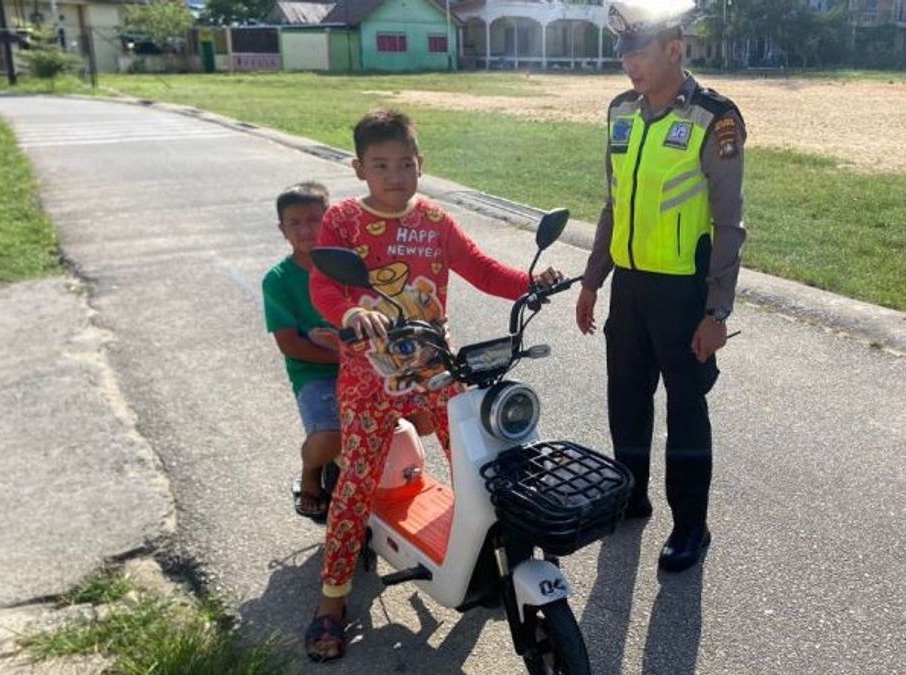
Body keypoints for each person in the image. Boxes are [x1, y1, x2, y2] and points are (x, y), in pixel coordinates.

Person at [303, 109, 563, 662]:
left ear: (421, 165)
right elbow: (324, 284)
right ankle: (332, 600)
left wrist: (530, 283)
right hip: (368, 376)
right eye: (380, 165)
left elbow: (481, 268)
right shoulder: (344, 222)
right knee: (356, 481)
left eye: (404, 164)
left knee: (483, 462)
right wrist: (351, 314)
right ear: (359, 168)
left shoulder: (436, 221)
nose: (394, 175)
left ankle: (489, 562)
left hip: (436, 367)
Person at [576, 0, 749, 574]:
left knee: (685, 409)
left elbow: (729, 224)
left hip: (683, 295)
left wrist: (716, 312)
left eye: (637, 49)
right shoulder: (620, 111)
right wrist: (592, 281)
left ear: (674, 50)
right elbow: (612, 202)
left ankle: (691, 527)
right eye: (621, 49)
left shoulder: (714, 117)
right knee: (626, 401)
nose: (626, 61)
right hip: (629, 288)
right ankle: (630, 496)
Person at [262, 182, 343, 523]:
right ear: (283, 230)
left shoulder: (348, 265)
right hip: (315, 372)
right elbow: (290, 344)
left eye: (315, 219)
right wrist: (345, 358)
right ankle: (311, 472)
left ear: (330, 219)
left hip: (370, 364)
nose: (307, 229)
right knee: (330, 436)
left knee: (419, 419)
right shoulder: (278, 280)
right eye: (295, 223)